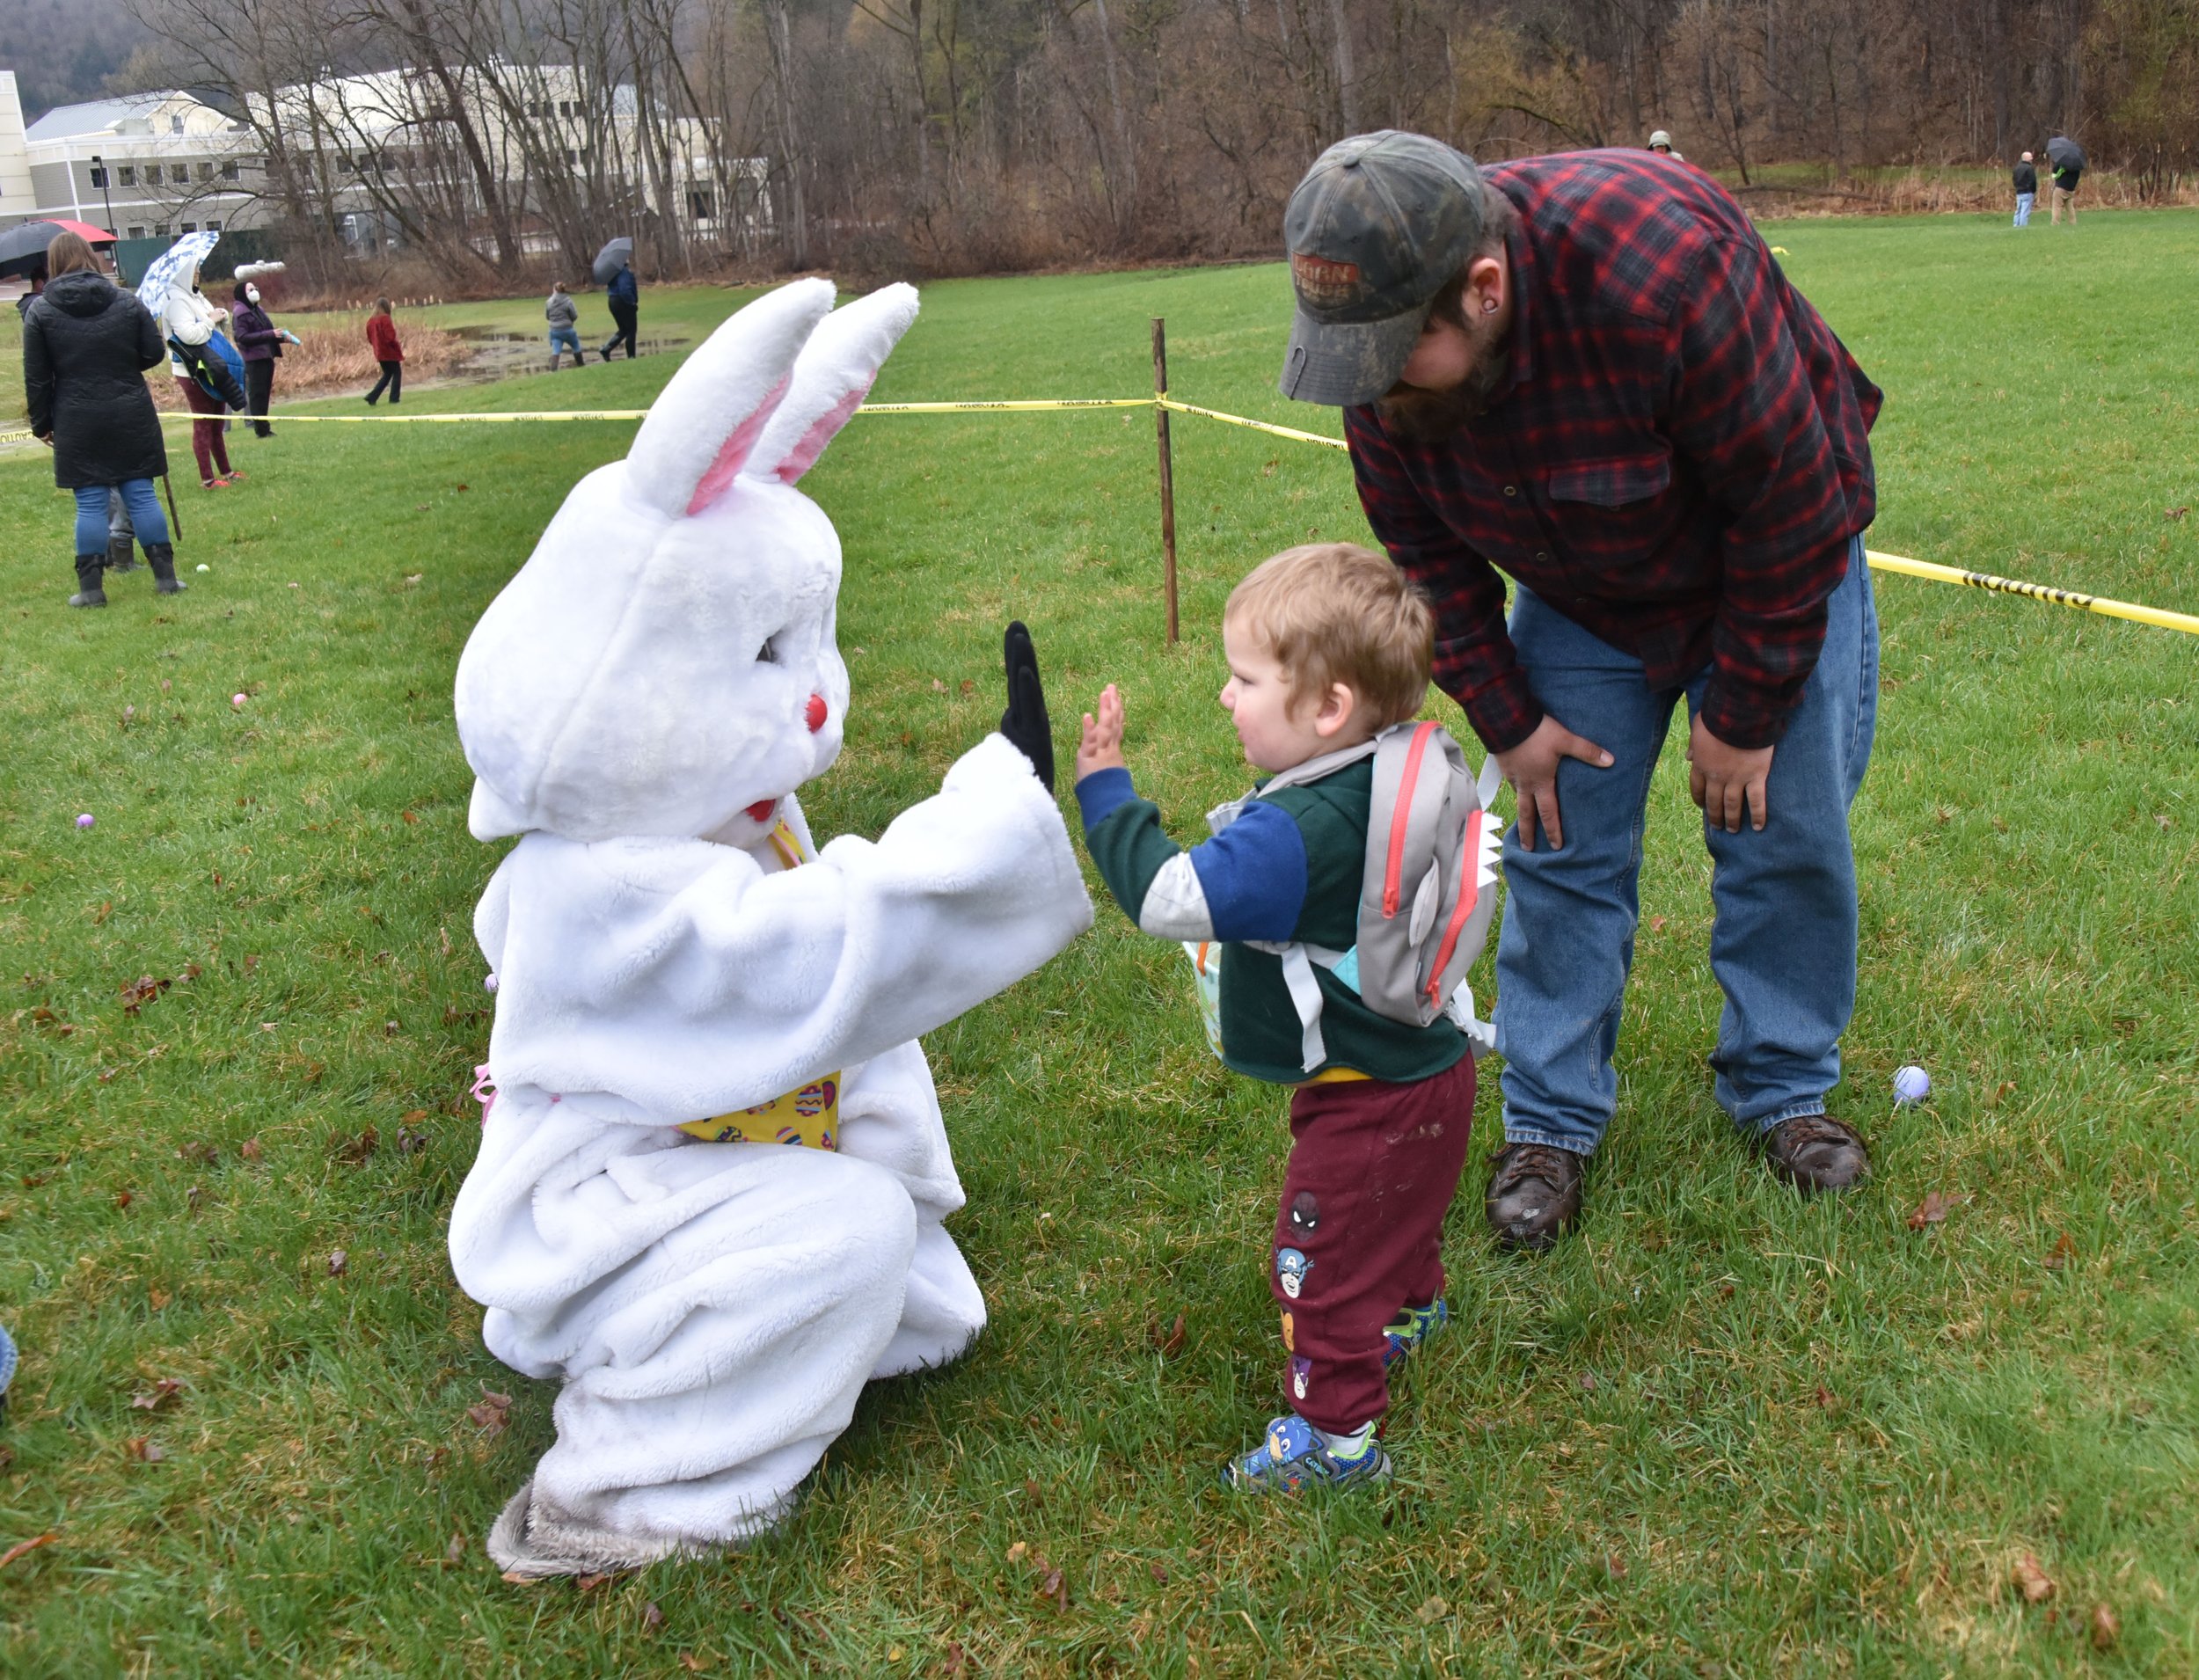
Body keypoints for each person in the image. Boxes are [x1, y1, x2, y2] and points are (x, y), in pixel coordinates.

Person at [1277, 132, 1882, 1250]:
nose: (1367, 392)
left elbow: (1791, 504)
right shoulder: (1383, 358)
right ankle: (1550, 1120)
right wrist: (1509, 718)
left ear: (1485, 289)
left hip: (1768, 556)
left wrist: (1743, 714)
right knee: (1560, 842)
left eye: (1395, 357)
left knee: (1782, 829)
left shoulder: (1666, 271)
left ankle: (1784, 1087)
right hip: (1585, 592)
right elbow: (1424, 558)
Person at [1074, 543, 1479, 1492]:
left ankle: (1336, 1439)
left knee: (1320, 1263)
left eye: (1244, 677)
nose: (1223, 694)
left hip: (1367, 1099)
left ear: (1328, 707)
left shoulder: (1296, 835)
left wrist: (1106, 793)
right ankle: (1413, 1310)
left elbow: (1171, 896)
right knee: (1400, 1214)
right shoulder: (1390, 763)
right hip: (1430, 1068)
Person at [22, 231, 186, 606]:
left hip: (77, 416)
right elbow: (152, 353)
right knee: (142, 495)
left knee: (91, 504)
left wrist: (41, 423)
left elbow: (36, 376)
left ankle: (91, 591)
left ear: (54, 265)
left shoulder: (41, 312)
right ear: (91, 259)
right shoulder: (127, 303)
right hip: (129, 408)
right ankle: (166, 580)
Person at [165, 267, 245, 487]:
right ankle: (208, 479)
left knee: (217, 422)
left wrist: (221, 316)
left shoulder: (195, 296)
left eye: (199, 268)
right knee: (204, 423)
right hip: (193, 370)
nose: (198, 272)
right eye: (194, 269)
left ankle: (227, 472)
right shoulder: (176, 302)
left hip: (212, 364)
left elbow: (213, 327)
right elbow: (189, 335)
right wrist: (211, 320)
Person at [230, 278, 295, 435]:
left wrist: (280, 338)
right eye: (250, 290)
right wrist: (270, 334)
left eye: (255, 289)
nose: (254, 292)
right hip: (254, 359)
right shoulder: (241, 313)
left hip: (266, 356)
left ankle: (264, 427)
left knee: (264, 394)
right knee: (257, 395)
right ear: (242, 294)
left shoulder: (258, 310)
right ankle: (261, 429)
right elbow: (243, 337)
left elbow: (265, 333)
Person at [364, 297, 404, 405]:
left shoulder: (370, 321)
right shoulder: (385, 319)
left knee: (387, 374)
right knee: (397, 373)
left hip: (379, 352)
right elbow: (390, 337)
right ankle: (394, 398)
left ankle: (372, 396)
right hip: (389, 351)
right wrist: (397, 348)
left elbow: (370, 338)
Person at [600, 259, 639, 361]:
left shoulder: (612, 272)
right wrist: (632, 302)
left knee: (623, 329)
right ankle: (631, 356)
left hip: (612, 300)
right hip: (622, 301)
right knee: (631, 330)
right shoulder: (624, 272)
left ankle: (607, 349)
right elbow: (624, 289)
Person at [545, 281, 585, 369]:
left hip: (555, 331)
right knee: (576, 346)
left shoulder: (548, 302)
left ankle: (553, 370)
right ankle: (581, 365)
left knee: (556, 351)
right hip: (568, 330)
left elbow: (547, 317)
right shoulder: (568, 301)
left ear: (555, 290)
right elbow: (574, 315)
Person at [2049, 139, 2081, 225]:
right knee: (2070, 207)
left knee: (2057, 206)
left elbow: (2054, 172)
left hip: (2061, 188)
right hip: (2071, 189)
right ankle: (2072, 222)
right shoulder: (2077, 167)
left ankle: (2055, 223)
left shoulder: (2062, 164)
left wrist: (2057, 163)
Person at [2013, 151, 2039, 227]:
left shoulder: (2016, 168)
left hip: (2019, 192)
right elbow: (2033, 180)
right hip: (2027, 192)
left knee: (2018, 210)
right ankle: (2023, 226)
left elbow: (2014, 179)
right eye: (2030, 157)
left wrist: (2017, 187)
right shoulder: (2029, 168)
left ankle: (2016, 225)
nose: (2032, 158)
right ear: (2026, 158)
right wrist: (2033, 190)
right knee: (2025, 211)